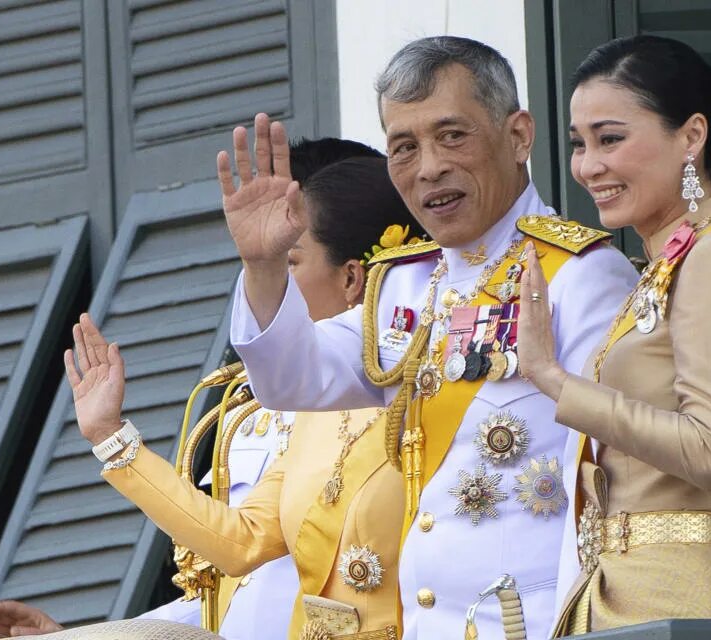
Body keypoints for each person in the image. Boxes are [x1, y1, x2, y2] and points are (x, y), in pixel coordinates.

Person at [224, 37, 638, 640]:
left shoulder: (580, 276)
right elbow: (291, 379)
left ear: (519, 136)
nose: (429, 167)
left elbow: (617, 483)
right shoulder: (404, 286)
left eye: (452, 136)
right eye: (403, 147)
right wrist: (264, 267)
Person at [54, 148, 421, 640]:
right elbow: (240, 546)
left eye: (286, 262)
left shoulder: (428, 388)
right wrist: (110, 436)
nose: (266, 281)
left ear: (353, 277)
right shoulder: (297, 415)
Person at [515, 34, 711, 634]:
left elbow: (709, 451)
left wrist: (554, 380)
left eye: (611, 139)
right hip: (633, 595)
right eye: (580, 144)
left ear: (691, 137)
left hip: (678, 599)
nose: (588, 166)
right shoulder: (670, 262)